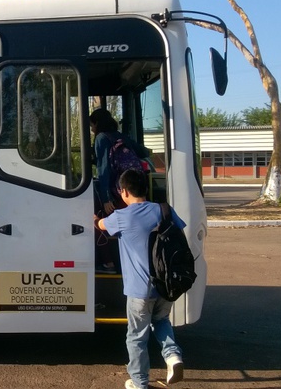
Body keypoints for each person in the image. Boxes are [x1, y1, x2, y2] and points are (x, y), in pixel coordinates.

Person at [95, 169, 185, 389]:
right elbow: (180, 233)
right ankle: (173, 357)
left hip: (140, 290)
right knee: (161, 321)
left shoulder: (122, 216)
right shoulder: (164, 210)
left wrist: (95, 218)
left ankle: (139, 383)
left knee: (136, 337)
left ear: (124, 191)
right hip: (166, 285)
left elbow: (101, 226)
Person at [90, 109, 148, 273]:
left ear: (97, 123)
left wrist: (106, 198)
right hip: (129, 191)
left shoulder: (101, 138)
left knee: (98, 222)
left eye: (92, 125)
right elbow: (143, 152)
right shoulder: (121, 136)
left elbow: (103, 170)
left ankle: (108, 263)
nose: (92, 129)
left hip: (114, 193)